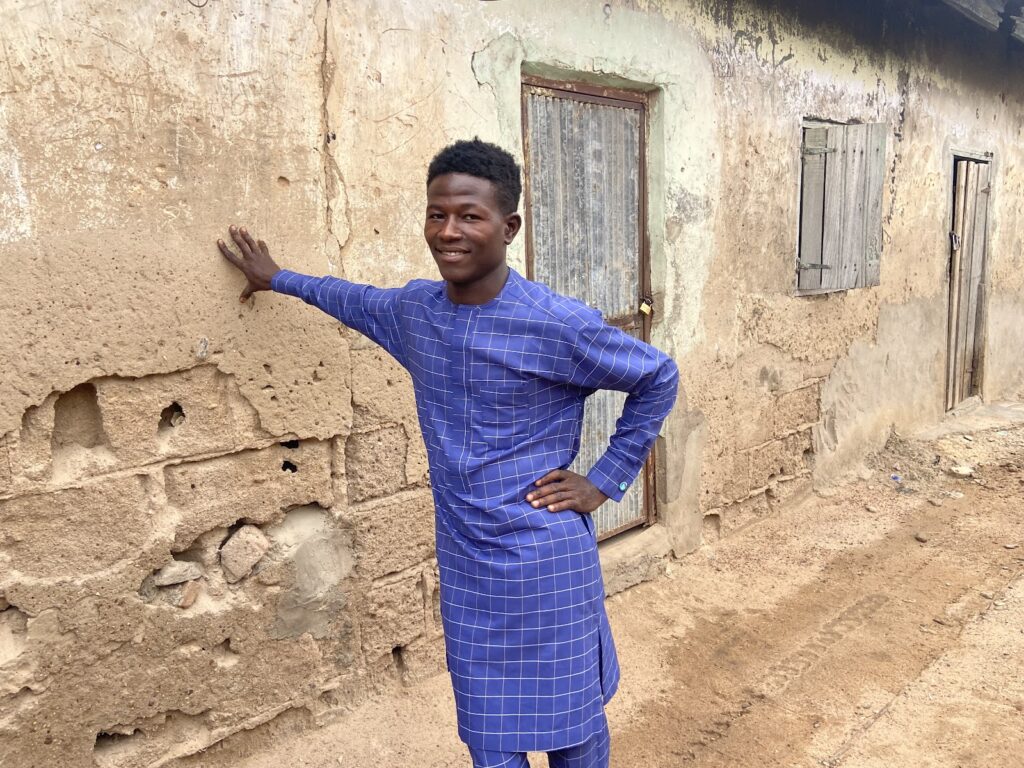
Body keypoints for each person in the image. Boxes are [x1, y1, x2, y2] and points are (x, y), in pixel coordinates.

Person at [217, 138, 678, 768]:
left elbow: (658, 377)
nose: (449, 232)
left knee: (573, 732)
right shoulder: (416, 313)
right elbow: (349, 298)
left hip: (545, 561)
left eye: (469, 216)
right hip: (468, 568)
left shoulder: (556, 323)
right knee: (489, 739)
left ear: (509, 227)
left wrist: (604, 480)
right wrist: (278, 279)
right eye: (437, 215)